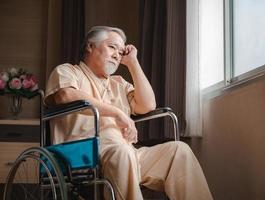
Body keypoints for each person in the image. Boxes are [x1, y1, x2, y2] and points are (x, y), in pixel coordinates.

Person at [45, 26, 213, 200]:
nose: (117, 55)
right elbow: (66, 95)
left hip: (127, 153)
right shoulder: (68, 71)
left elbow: (147, 104)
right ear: (90, 46)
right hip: (83, 153)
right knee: (122, 153)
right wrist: (117, 113)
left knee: (179, 150)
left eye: (121, 51)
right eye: (112, 47)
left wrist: (133, 63)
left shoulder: (119, 83)